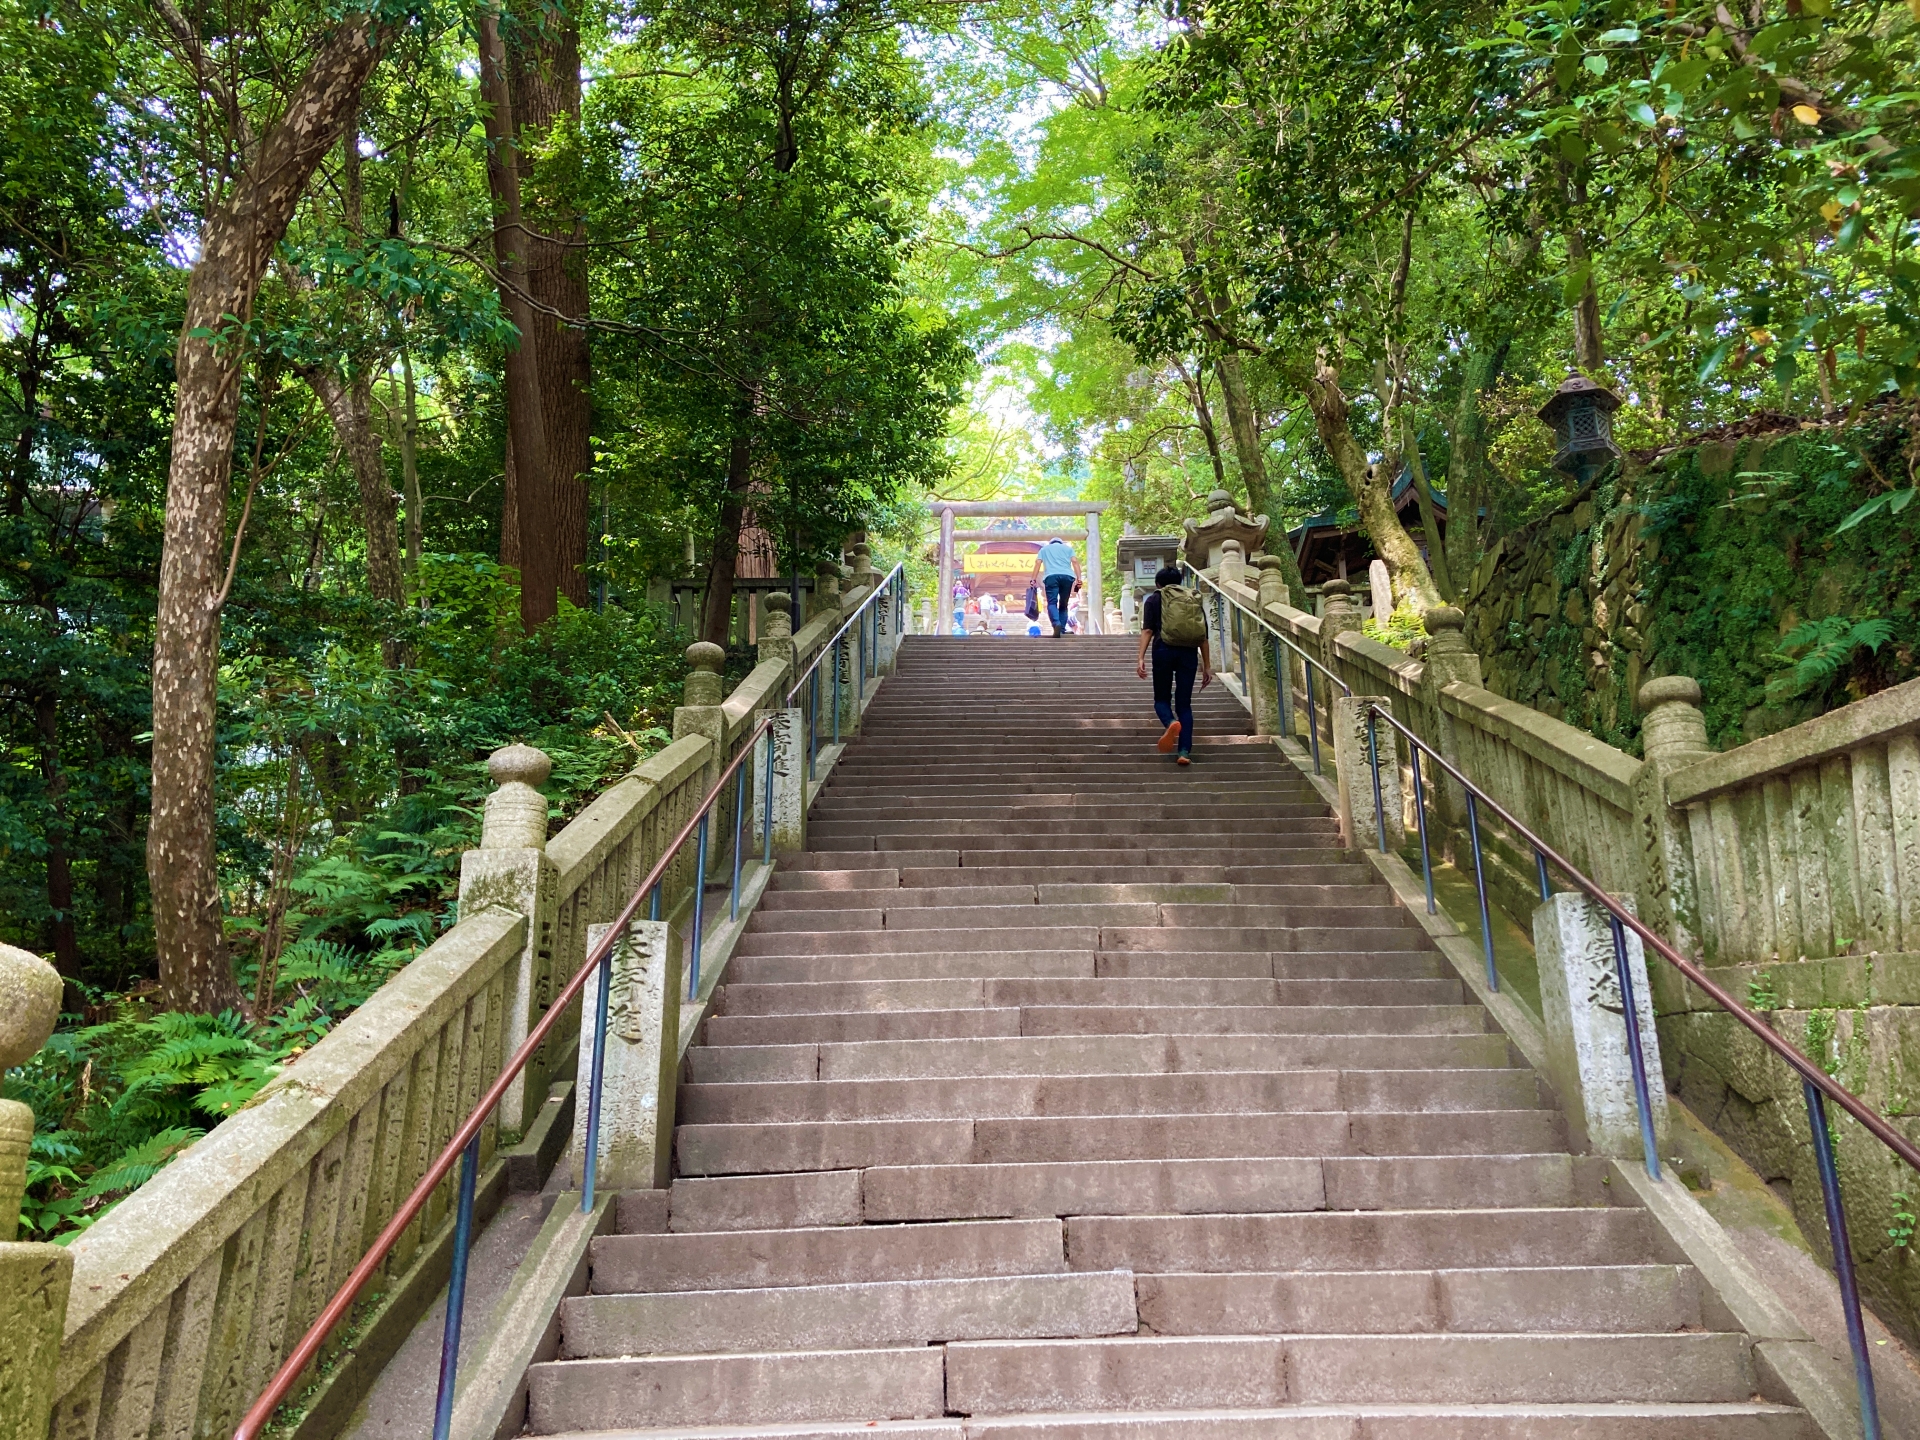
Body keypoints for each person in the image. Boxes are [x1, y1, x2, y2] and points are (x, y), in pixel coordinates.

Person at [1135, 565, 1213, 765]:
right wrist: (1207, 666)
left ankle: (1170, 722)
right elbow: (1203, 636)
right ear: (1179, 582)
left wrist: (1141, 657)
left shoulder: (1154, 599)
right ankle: (1184, 752)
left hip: (1163, 650)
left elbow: (1147, 631)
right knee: (1184, 704)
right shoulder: (1192, 599)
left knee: (1161, 699)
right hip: (1188, 653)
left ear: (1158, 584)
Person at [1028, 537, 1082, 637]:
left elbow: (1038, 563)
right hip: (1067, 577)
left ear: (1051, 543)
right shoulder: (1068, 549)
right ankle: (1062, 629)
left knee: (1052, 603)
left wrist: (1033, 579)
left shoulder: (1044, 549)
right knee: (1063, 605)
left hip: (1051, 577)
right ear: (1060, 543)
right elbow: (1074, 561)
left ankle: (1056, 623)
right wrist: (1079, 578)